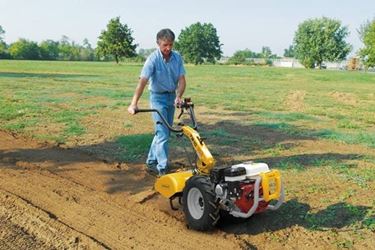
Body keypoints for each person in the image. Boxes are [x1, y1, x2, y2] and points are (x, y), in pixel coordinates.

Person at [128, 28, 186, 176]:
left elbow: (182, 80)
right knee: (163, 134)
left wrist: (178, 96)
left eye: (171, 45)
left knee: (163, 133)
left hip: (171, 97)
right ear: (158, 43)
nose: (168, 48)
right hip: (157, 98)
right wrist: (134, 103)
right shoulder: (152, 59)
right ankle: (162, 168)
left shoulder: (177, 58)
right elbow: (142, 82)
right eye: (165, 45)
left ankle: (151, 161)